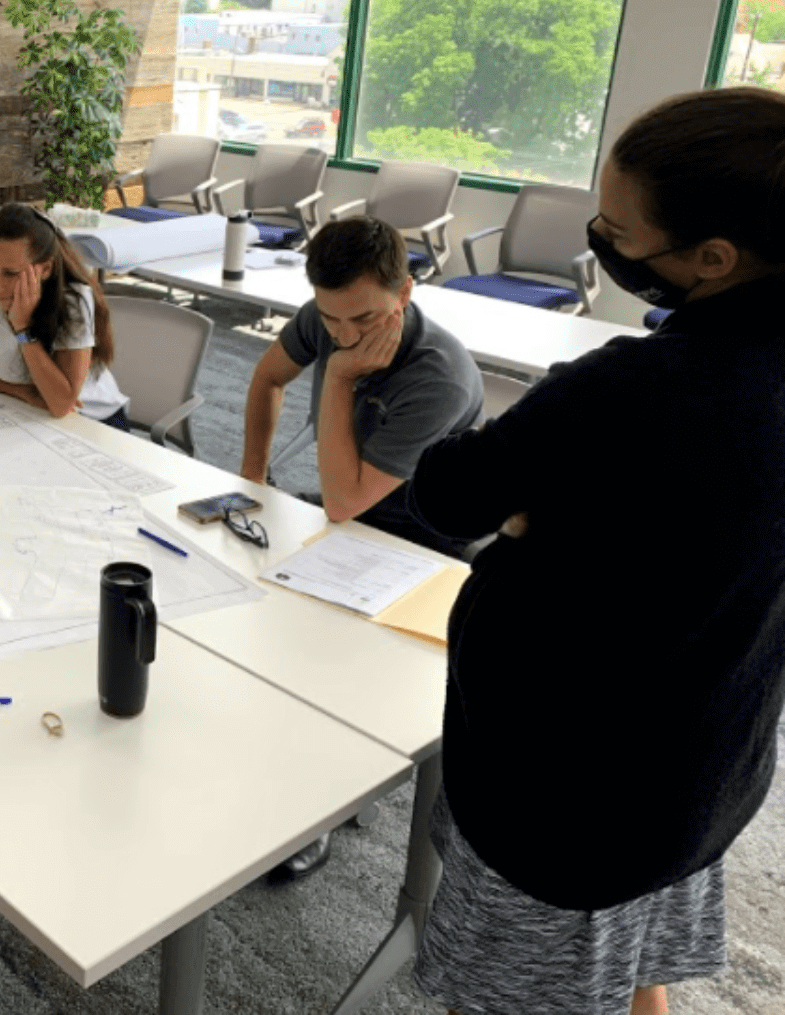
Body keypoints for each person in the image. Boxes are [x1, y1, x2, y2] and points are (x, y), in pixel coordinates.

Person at [402, 87, 785, 1015]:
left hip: (566, 798)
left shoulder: (630, 391)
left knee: (511, 1000)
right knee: (629, 966)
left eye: (617, 228)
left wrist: (538, 516)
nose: (601, 239)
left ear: (712, 258)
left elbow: (446, 490)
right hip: (702, 764)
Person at [239, 214, 484, 881]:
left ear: (404, 292)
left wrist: (341, 379)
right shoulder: (332, 314)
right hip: (343, 518)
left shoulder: (440, 376)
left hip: (422, 547)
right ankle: (285, 755)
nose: (343, 334)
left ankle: (320, 806)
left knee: (337, 672)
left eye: (364, 319)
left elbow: (348, 498)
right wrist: (253, 478)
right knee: (257, 613)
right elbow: (265, 379)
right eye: (330, 318)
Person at [0, 202, 130, 427]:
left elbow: (60, 405)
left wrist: (23, 329)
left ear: (46, 269)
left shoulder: (73, 303)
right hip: (26, 410)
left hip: (93, 420)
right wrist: (24, 393)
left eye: (11, 273)